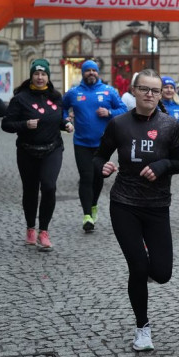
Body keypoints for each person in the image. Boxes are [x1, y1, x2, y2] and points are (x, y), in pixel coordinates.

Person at [95, 69, 179, 351]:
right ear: (133, 91)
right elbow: (99, 155)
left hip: (157, 206)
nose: (149, 94)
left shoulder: (171, 125)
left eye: (154, 91)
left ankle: (145, 264)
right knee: (137, 267)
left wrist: (161, 166)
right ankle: (142, 327)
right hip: (124, 203)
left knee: (162, 273)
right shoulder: (118, 124)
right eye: (144, 89)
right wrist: (103, 167)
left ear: (161, 95)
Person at [1, 59, 74, 251]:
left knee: (49, 187)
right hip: (27, 150)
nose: (40, 77)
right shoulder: (21, 98)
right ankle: (30, 228)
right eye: (36, 74)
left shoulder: (56, 96)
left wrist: (65, 123)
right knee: (30, 190)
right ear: (31, 76)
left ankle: (44, 231)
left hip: (52, 148)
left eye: (43, 74)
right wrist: (24, 125)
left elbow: (57, 118)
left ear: (48, 77)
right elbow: (6, 124)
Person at [62, 60, 127, 233]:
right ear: (83, 73)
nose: (91, 73)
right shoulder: (74, 92)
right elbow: (61, 108)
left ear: (98, 73)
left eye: (94, 70)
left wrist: (109, 113)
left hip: (103, 144)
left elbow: (123, 109)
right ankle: (87, 216)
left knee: (98, 178)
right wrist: (65, 120)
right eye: (87, 70)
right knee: (86, 176)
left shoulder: (109, 91)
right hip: (81, 142)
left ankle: (93, 205)